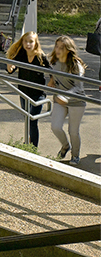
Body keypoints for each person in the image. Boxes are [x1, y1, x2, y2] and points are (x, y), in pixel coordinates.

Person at [6, 31, 50, 148]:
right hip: (24, 92)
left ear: (36, 43)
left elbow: (52, 71)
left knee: (32, 120)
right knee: (27, 119)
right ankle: (28, 143)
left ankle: (33, 147)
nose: (28, 44)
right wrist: (10, 67)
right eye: (25, 41)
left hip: (38, 94)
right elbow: (11, 69)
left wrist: (51, 83)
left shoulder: (41, 56)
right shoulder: (21, 54)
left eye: (31, 41)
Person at [48, 35, 87, 165]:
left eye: (62, 48)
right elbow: (52, 75)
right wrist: (52, 81)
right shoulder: (53, 62)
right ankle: (65, 146)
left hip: (76, 101)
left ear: (68, 50)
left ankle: (75, 155)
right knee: (55, 127)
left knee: (73, 131)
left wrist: (65, 96)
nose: (58, 50)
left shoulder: (76, 65)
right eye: (57, 46)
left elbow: (78, 87)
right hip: (59, 100)